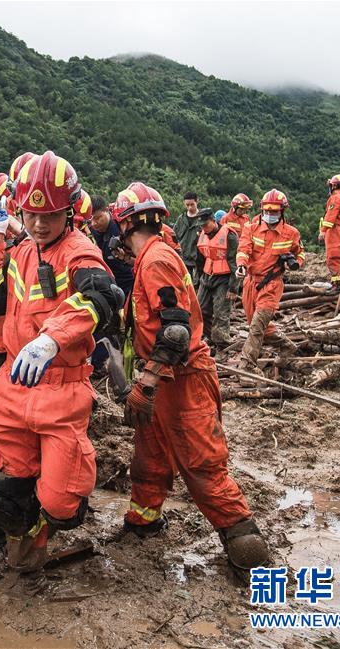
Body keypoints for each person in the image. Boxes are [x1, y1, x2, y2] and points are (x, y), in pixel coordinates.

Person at [0, 151, 122, 577]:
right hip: (14, 383)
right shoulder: (20, 252)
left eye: (51, 214)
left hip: (60, 385)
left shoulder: (81, 251)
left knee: (62, 501)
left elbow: (101, 296)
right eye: (32, 213)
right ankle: (22, 556)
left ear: (69, 210)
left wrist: (51, 341)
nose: (41, 223)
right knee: (8, 490)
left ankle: (53, 516)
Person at [112, 181, 269, 579]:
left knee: (201, 466)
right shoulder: (154, 254)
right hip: (165, 377)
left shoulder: (156, 260)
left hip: (180, 379)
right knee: (150, 454)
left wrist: (146, 381)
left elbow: (176, 332)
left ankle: (244, 542)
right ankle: (144, 519)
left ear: (126, 225)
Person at [235, 189, 304, 372]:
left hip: (272, 285)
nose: (270, 215)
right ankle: (287, 344)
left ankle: (246, 365)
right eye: (267, 211)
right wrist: (241, 264)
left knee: (257, 326)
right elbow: (243, 248)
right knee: (256, 326)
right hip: (251, 282)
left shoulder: (291, 233)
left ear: (282, 211)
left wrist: (295, 263)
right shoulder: (251, 227)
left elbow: (300, 254)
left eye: (274, 212)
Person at [195, 209, 239, 345]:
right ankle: (211, 336)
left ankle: (223, 342)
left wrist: (233, 288)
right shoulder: (202, 234)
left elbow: (235, 263)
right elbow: (199, 259)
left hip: (224, 278)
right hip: (207, 277)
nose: (204, 228)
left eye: (206, 224)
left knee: (221, 312)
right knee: (200, 310)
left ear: (214, 220)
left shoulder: (229, 236)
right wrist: (198, 281)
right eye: (201, 225)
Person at [171, 191, 201, 280]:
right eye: (187, 205)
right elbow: (173, 236)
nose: (190, 207)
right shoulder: (181, 219)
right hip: (182, 259)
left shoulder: (202, 219)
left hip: (197, 260)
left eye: (192, 204)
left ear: (197, 202)